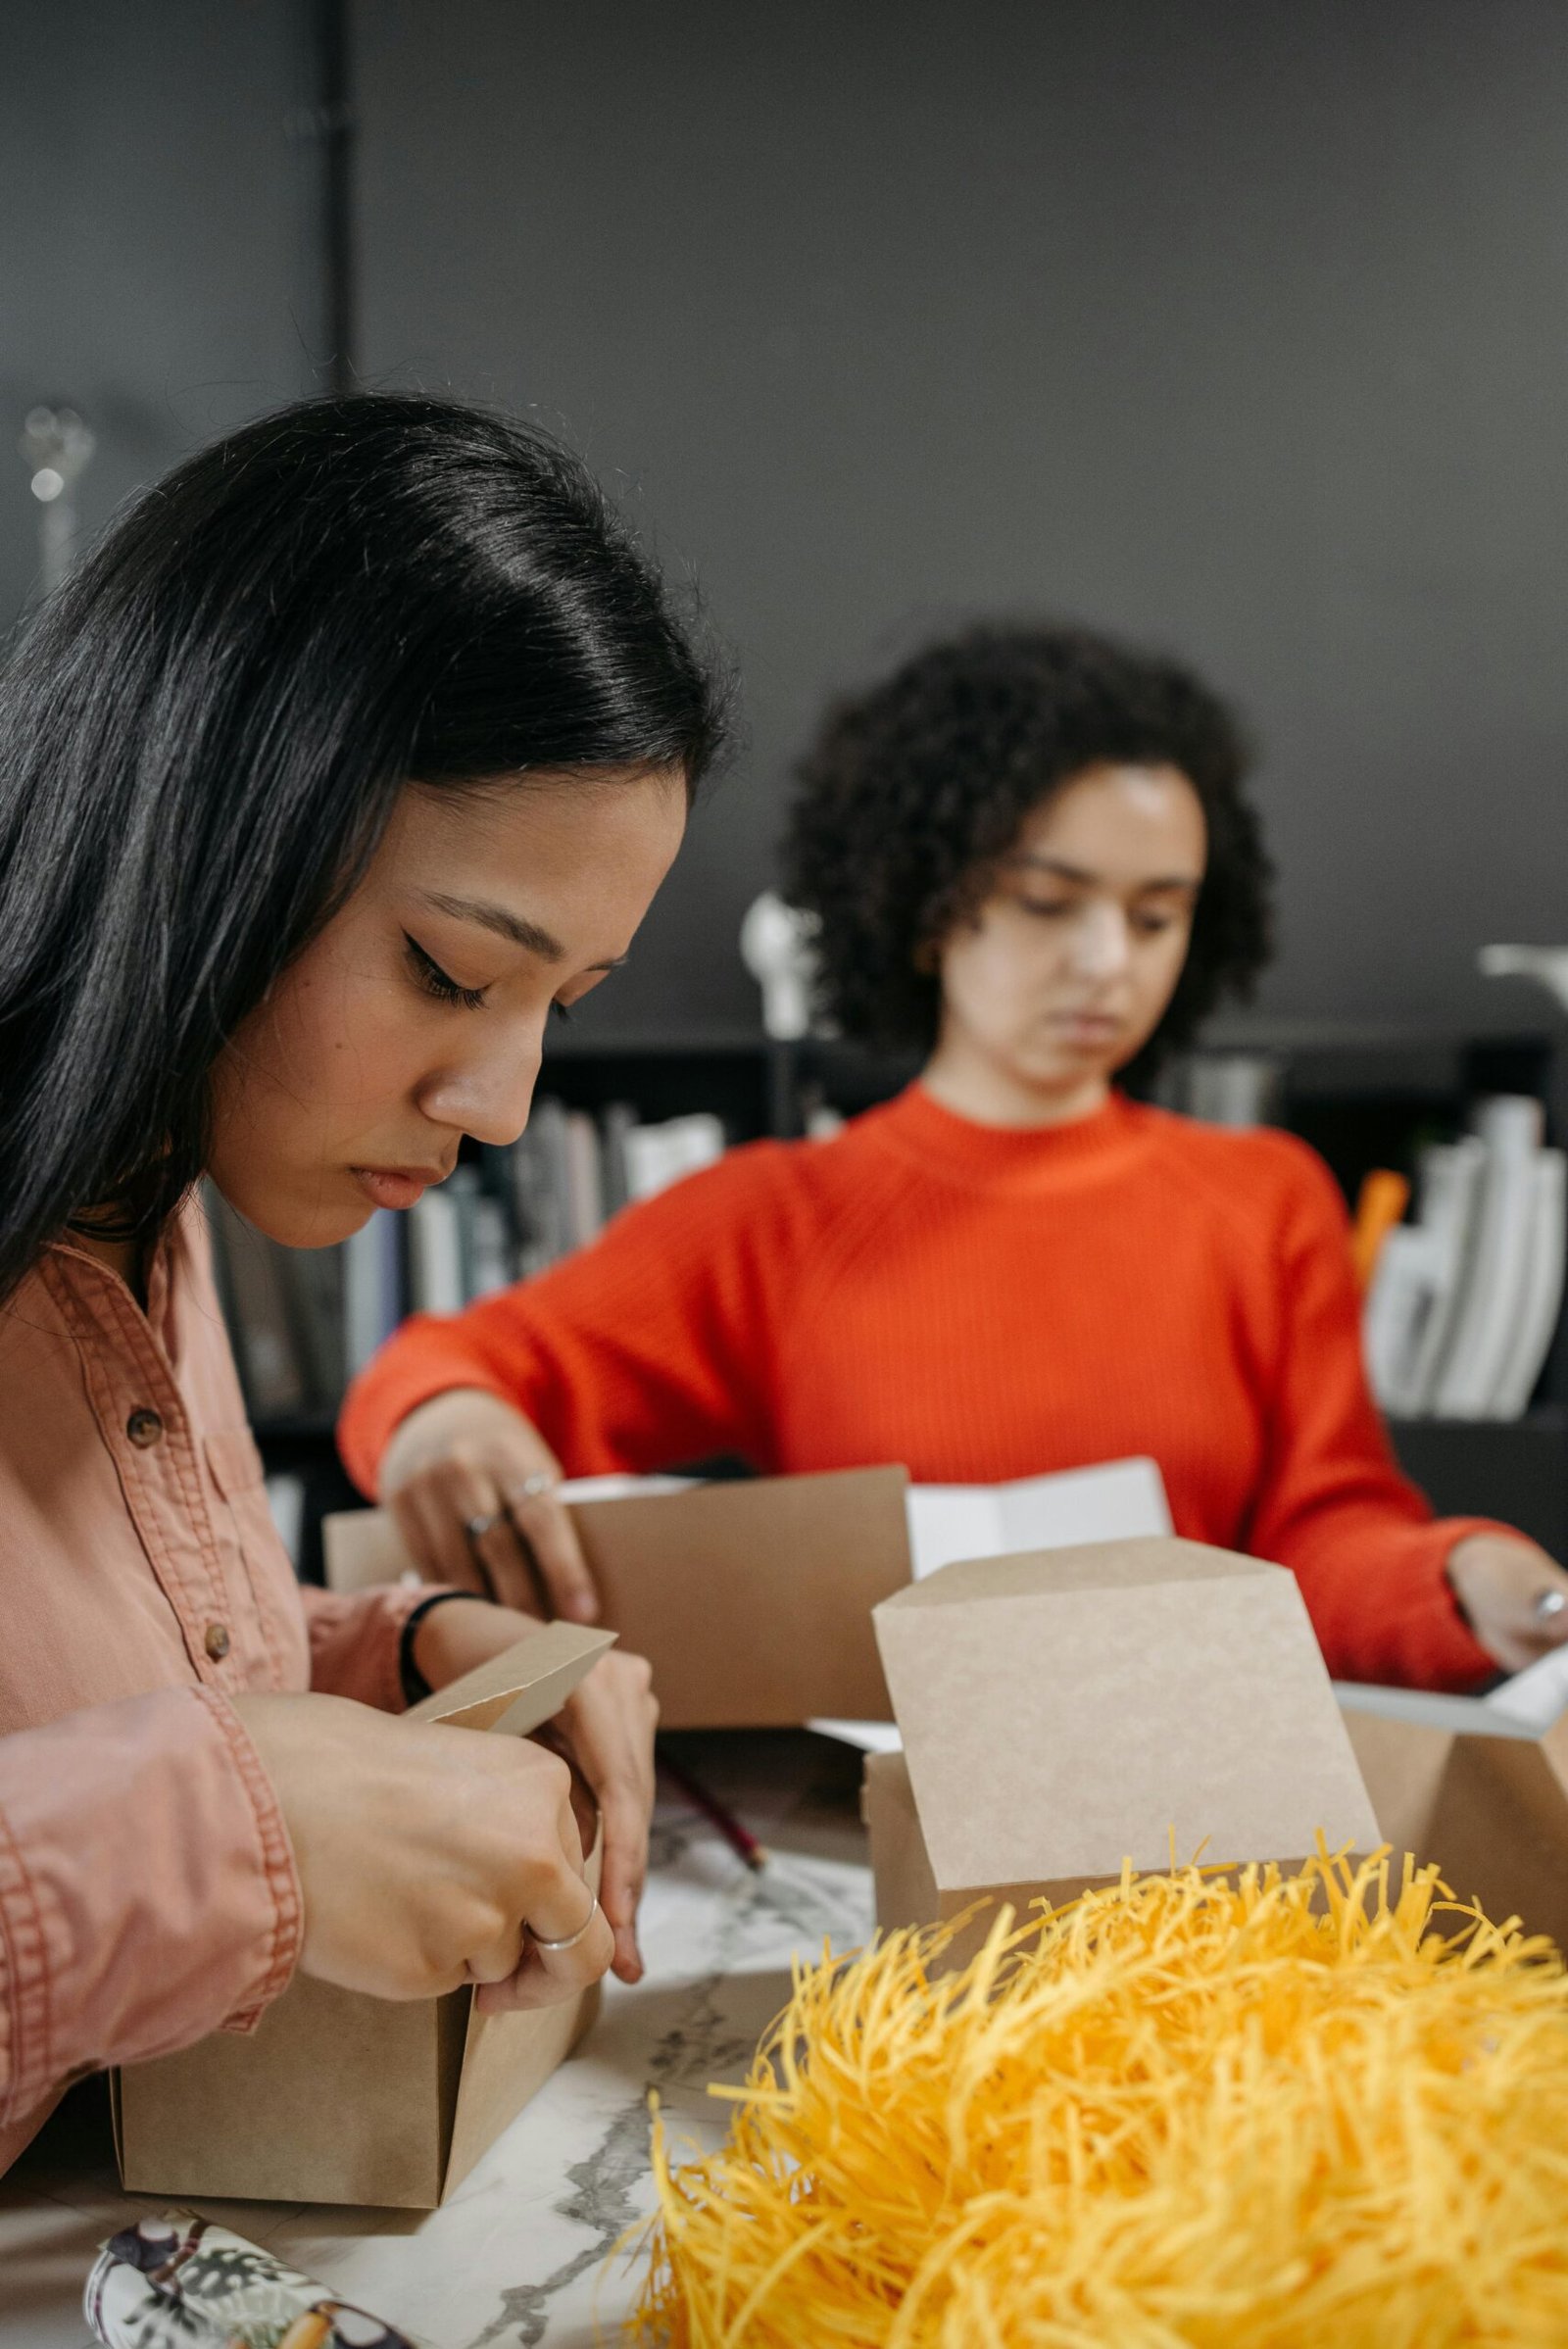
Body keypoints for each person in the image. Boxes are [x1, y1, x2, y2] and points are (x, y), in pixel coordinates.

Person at [338, 623, 1568, 1694]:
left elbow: (1326, 1533)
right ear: (931, 903)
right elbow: (462, 1364)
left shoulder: (1261, 1200)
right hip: (897, 1840)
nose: (1108, 963)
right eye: (1047, 901)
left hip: (1207, 1824)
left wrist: (1458, 1582)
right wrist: (446, 1424)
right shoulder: (781, 1219)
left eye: (1155, 915)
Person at [0, 391, 725, 2164]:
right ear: (208, 821)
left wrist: (396, 1664)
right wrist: (241, 1831)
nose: (498, 1107)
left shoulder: (150, 1190)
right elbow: (156, 1791)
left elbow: (86, 1686)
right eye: (447, 966)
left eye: (565, 1008)